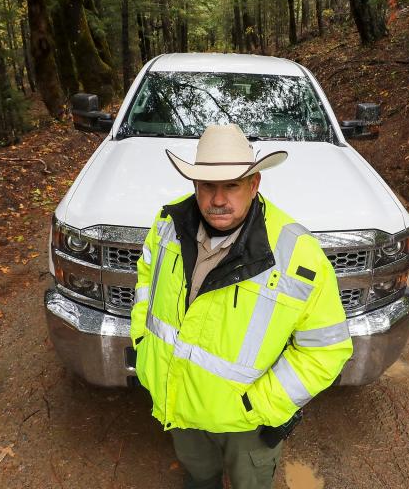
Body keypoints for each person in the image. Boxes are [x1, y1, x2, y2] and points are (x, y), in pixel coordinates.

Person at [130, 123, 352, 489]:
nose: (217, 199)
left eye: (231, 185)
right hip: (180, 404)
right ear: (194, 186)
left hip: (247, 425)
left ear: (254, 184)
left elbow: (326, 349)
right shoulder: (167, 224)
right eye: (207, 186)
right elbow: (145, 281)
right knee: (198, 480)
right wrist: (142, 343)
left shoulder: (296, 253)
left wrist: (258, 406)